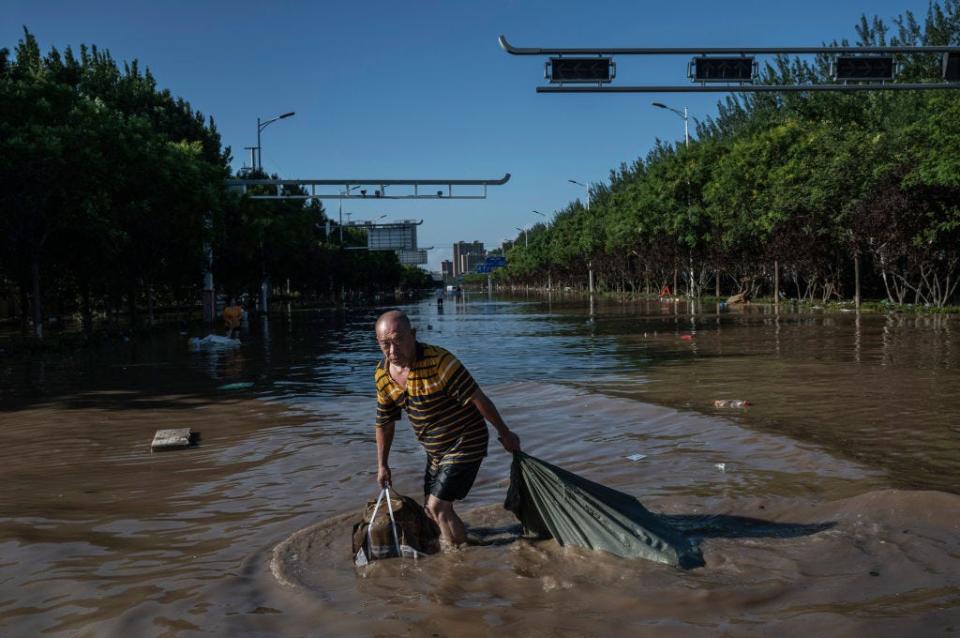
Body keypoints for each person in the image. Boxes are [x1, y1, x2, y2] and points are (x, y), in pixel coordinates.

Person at [373, 309, 520, 547]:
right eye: (385, 344)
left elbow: (478, 398)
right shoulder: (382, 374)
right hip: (436, 450)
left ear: (413, 334)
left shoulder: (440, 361)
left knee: (437, 506)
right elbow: (384, 422)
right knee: (431, 511)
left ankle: (457, 562)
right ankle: (462, 544)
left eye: (398, 341)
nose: (392, 351)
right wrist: (382, 464)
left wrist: (505, 433)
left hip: (466, 440)